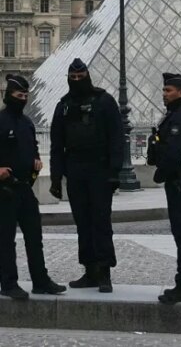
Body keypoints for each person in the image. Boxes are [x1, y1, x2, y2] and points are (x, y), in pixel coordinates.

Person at [49, 58, 124, 293]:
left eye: (81, 78)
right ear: (69, 79)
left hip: (100, 170)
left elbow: (117, 138)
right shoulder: (63, 106)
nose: (77, 81)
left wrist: (114, 173)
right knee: (82, 222)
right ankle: (90, 270)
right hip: (76, 170)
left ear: (88, 76)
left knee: (101, 221)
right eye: (73, 78)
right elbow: (56, 145)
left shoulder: (105, 101)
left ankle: (104, 272)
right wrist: (55, 179)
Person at [0, 75, 66, 300]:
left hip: (25, 187)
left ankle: (40, 280)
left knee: (34, 237)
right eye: (19, 96)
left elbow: (33, 147)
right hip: (4, 189)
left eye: (26, 96)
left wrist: (37, 159)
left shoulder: (27, 122)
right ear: (8, 96)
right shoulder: (0, 121)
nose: (23, 99)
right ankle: (8, 283)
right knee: (5, 240)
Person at [148, 73, 181, 305]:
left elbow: (173, 153)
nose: (164, 94)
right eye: (164, 90)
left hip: (180, 178)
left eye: (168, 90)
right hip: (180, 177)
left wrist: (160, 173)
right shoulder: (177, 115)